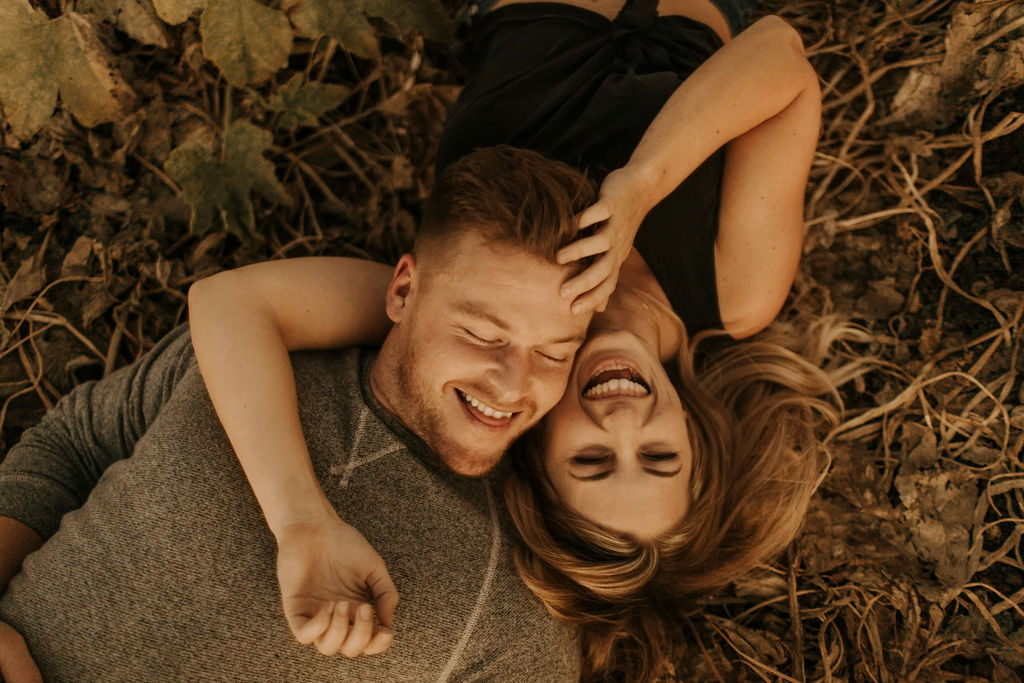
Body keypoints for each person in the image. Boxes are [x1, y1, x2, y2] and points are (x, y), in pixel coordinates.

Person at [184, 0, 846, 679]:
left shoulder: (472, 307)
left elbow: (229, 302)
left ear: (541, 443)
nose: (623, 422)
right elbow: (779, 53)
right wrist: (638, 189)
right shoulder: (735, 293)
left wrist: (299, 520)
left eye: (591, 460)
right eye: (657, 455)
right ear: (694, 430)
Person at [0, 147, 596, 680]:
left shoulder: (514, 612)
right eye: (481, 334)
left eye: (553, 352)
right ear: (403, 292)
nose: (515, 384)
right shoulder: (255, 361)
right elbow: (73, 444)